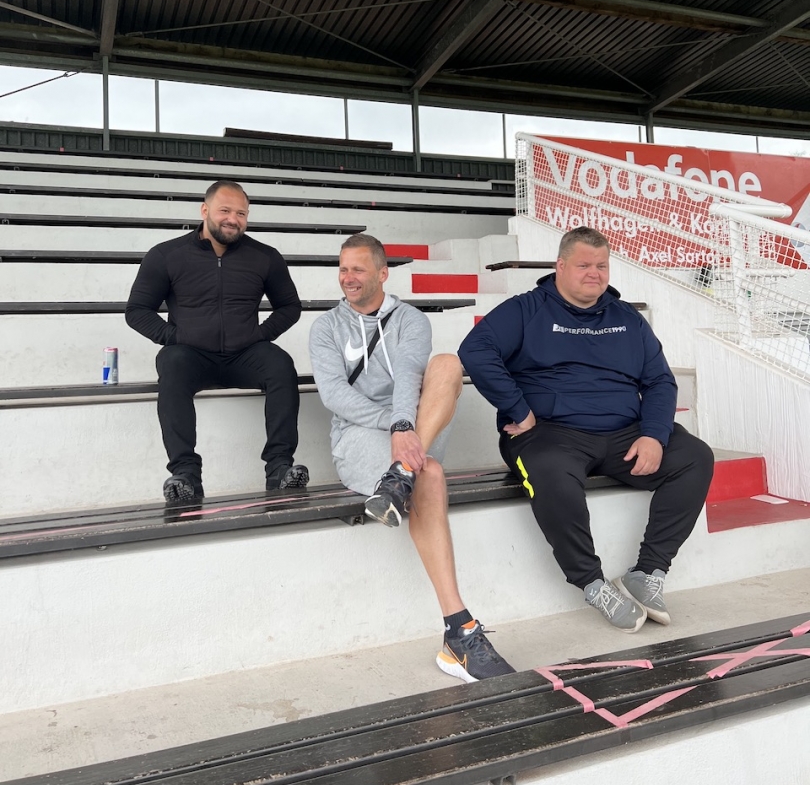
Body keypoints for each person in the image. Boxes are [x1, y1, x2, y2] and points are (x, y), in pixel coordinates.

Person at [459, 226, 714, 634]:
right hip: (550, 433)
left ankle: (648, 571)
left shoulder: (627, 318)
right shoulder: (526, 309)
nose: (594, 273)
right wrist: (518, 409)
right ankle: (592, 583)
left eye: (601, 265)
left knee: (695, 457)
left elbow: (660, 382)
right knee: (550, 471)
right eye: (583, 265)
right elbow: (475, 349)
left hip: (624, 433)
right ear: (560, 266)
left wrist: (653, 434)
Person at [309, 233, 515, 683]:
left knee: (447, 364)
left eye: (358, 269)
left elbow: (407, 375)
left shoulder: (410, 320)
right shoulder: (326, 328)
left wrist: (406, 430)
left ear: (383, 273)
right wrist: (395, 426)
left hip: (417, 428)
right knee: (431, 473)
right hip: (360, 436)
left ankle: (400, 473)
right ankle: (459, 630)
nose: (348, 277)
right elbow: (335, 396)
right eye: (343, 269)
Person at [125, 179, 308, 502]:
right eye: (225, 210)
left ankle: (280, 468)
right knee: (172, 362)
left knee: (280, 364)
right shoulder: (166, 255)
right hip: (192, 356)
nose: (232, 219)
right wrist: (174, 337)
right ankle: (185, 476)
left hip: (245, 354)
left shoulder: (265, 257)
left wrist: (260, 335)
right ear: (205, 210)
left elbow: (290, 306)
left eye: (241, 213)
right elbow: (137, 311)